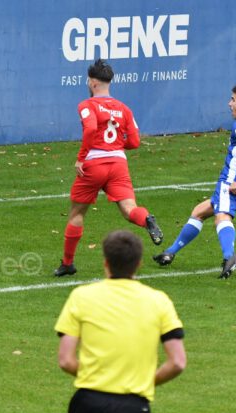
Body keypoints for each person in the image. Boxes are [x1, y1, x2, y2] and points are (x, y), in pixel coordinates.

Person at [55, 230, 186, 413]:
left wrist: (96, 375)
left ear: (106, 262)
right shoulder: (159, 301)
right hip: (132, 410)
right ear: (139, 264)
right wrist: (146, 380)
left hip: (88, 405)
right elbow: (178, 362)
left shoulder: (81, 296)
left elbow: (66, 360)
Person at [153, 85, 236, 278]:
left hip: (231, 182)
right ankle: (170, 252)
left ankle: (230, 256)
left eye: (233, 99)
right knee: (199, 212)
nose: (229, 104)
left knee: (222, 217)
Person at [54, 59, 163, 278]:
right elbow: (134, 142)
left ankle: (67, 263)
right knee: (129, 209)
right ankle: (146, 219)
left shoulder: (87, 105)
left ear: (93, 82)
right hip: (118, 164)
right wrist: (115, 145)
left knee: (77, 213)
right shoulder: (124, 109)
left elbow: (91, 128)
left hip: (94, 163)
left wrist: (81, 158)